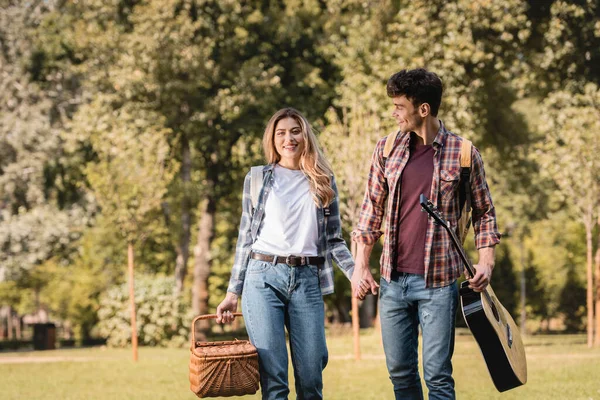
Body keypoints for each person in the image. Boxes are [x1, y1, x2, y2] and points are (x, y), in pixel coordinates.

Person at [351, 68, 501, 400]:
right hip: (392, 281)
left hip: (438, 283)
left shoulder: (463, 153)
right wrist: (361, 266)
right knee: (401, 375)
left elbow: (484, 212)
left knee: (437, 376)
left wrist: (485, 263)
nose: (393, 113)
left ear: (423, 109)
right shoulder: (386, 149)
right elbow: (370, 209)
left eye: (399, 106)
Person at [216, 107, 355, 400]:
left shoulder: (324, 180)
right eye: (281, 133)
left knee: (311, 378)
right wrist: (232, 292)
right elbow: (245, 239)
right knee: (274, 379)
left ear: (305, 136)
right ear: (272, 139)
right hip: (262, 277)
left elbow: (334, 239)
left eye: (295, 131)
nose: (288, 138)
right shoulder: (256, 179)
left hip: (308, 279)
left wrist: (357, 273)